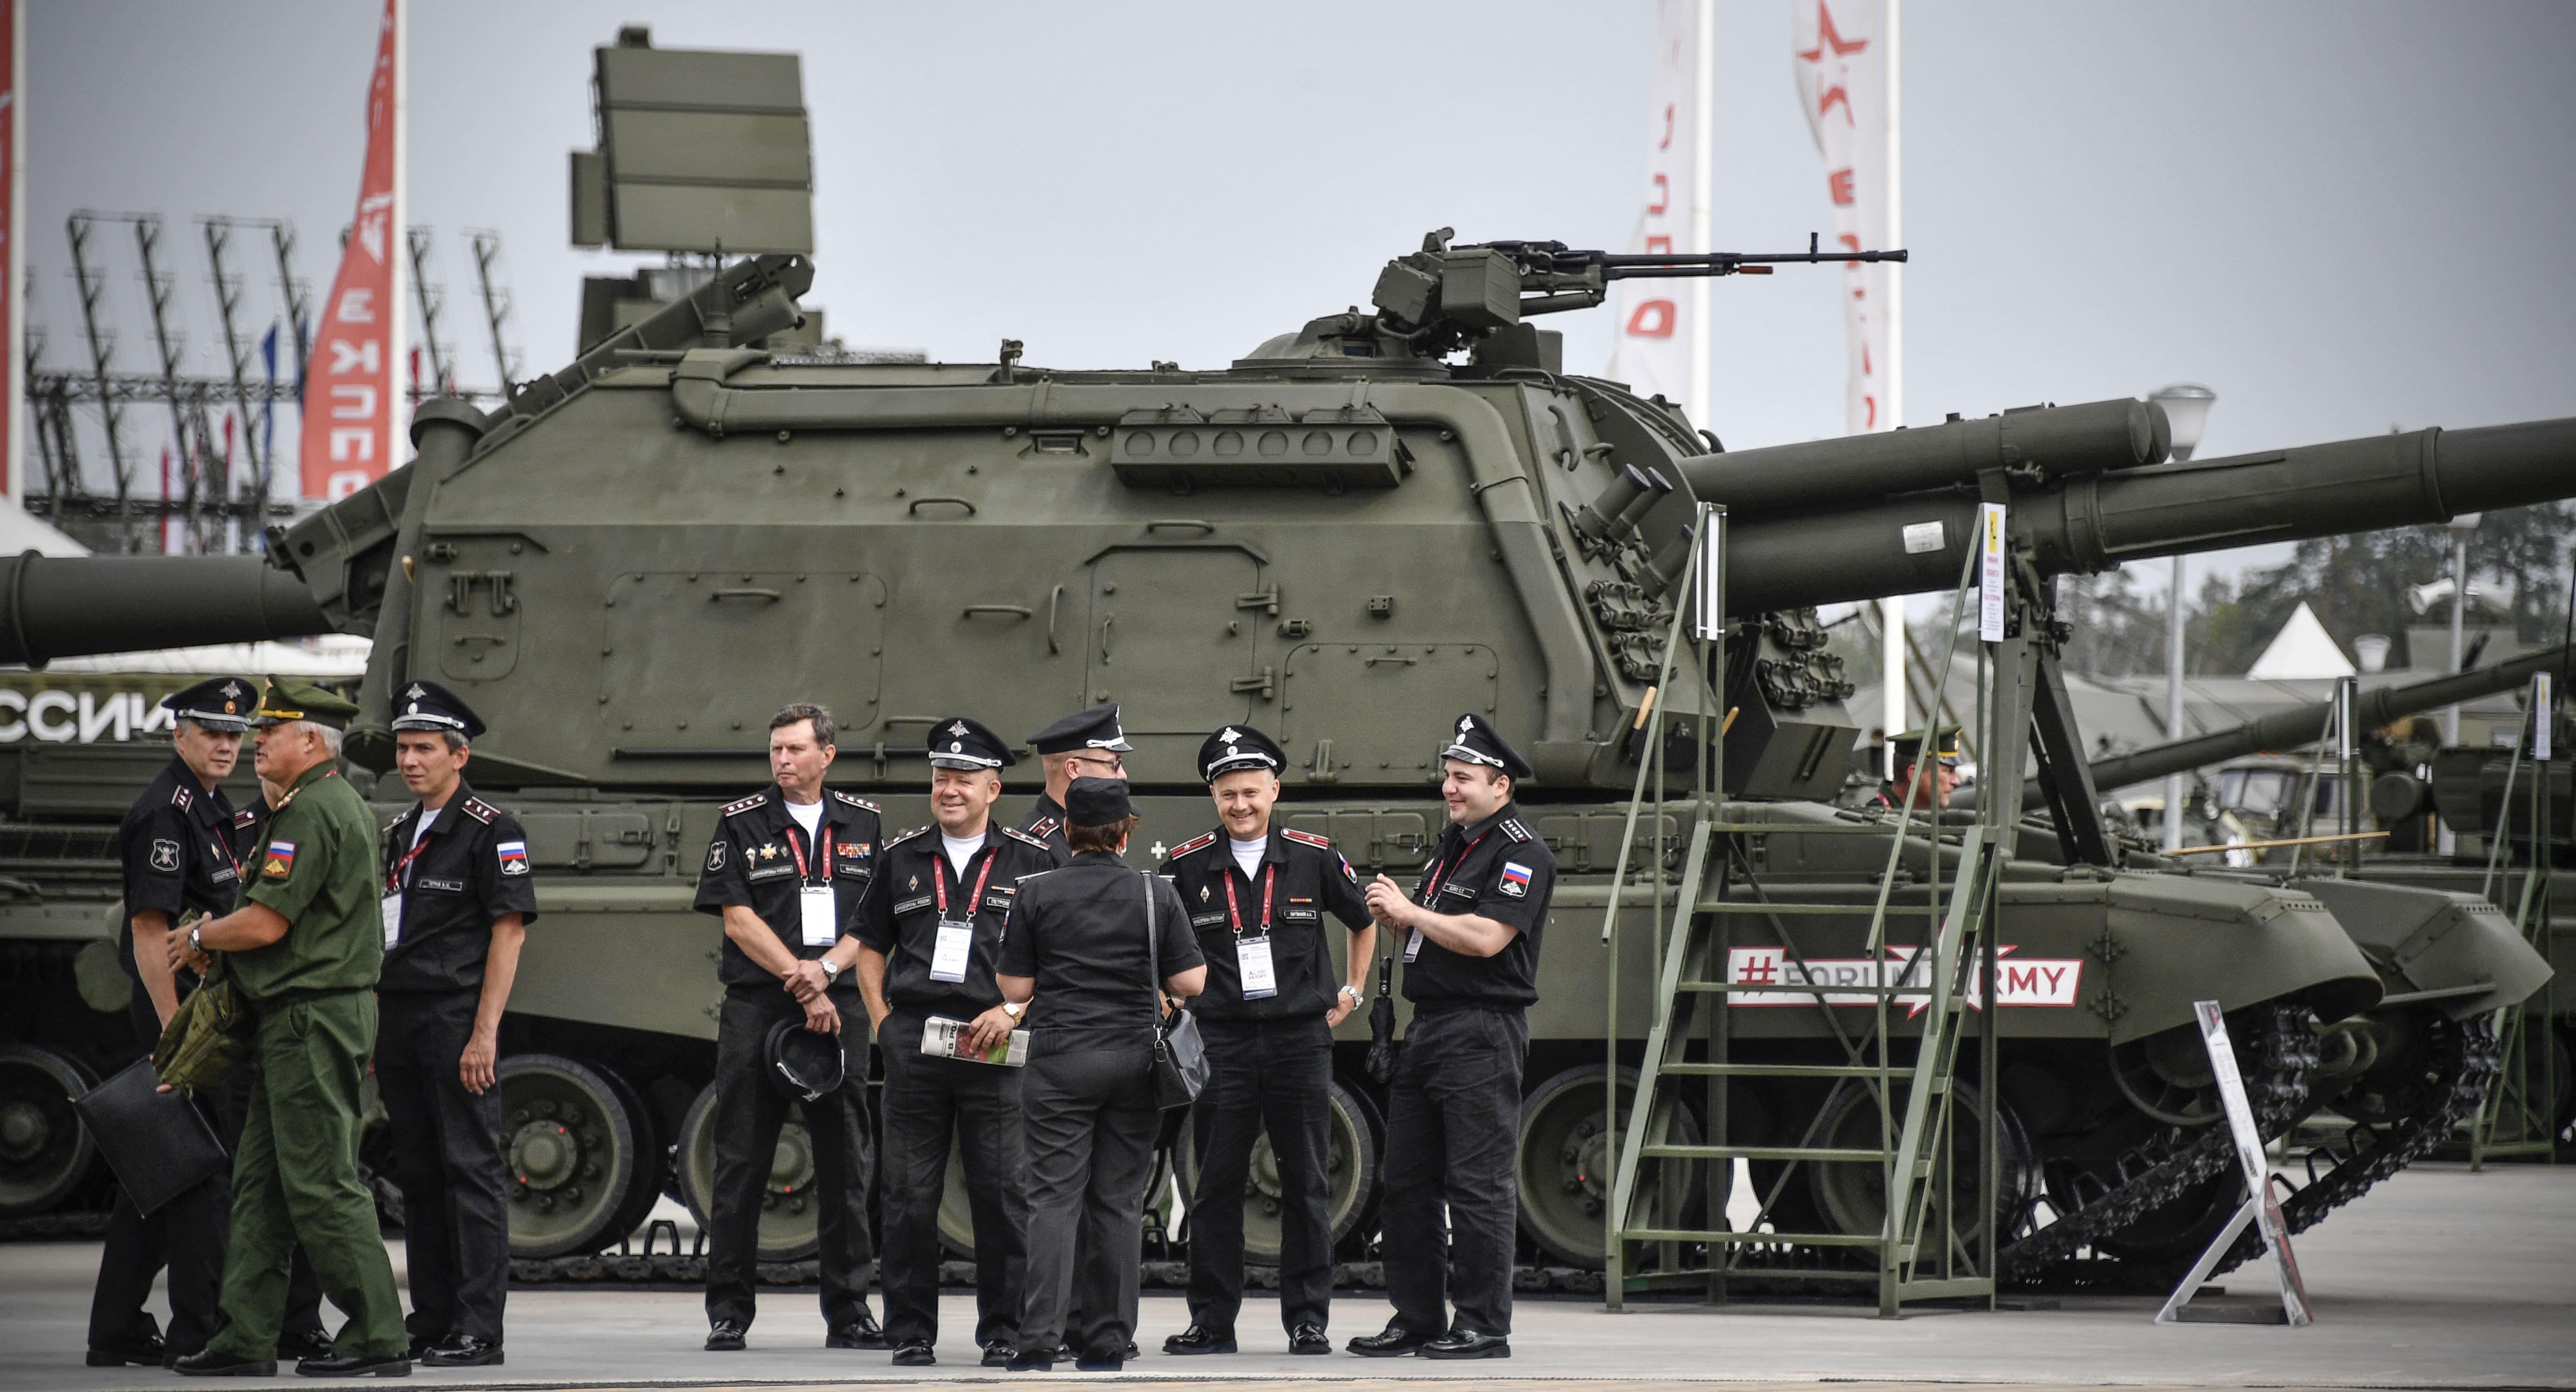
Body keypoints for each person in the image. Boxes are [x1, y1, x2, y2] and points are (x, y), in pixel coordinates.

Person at [167, 677, 410, 1378]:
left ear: (311, 740)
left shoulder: (312, 811)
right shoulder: (324, 803)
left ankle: (377, 1335)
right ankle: (244, 1338)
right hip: (304, 1017)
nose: (257, 741)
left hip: (311, 1017)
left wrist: (200, 936)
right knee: (264, 1187)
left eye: (271, 730)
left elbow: (267, 922)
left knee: (321, 1182)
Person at [87, 678, 328, 1370]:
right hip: (186, 1020)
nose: (226, 744)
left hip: (206, 1015)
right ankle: (199, 1332)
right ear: (179, 735)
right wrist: (173, 1037)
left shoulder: (212, 808)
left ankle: (115, 1328)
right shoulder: (166, 812)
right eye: (211, 732)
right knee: (203, 1176)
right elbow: (147, 928)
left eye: (235, 734)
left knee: (161, 1169)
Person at [1157, 725, 1373, 1357]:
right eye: (1228, 794)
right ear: (1214, 796)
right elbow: (1157, 943)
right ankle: (1211, 1321)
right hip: (1220, 1039)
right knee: (1216, 1183)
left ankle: (1307, 1320)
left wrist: (1352, 991)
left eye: (1251, 792)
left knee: (1307, 1181)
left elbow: (1363, 921)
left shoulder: (1314, 856)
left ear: (1274, 790)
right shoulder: (1186, 865)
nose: (1241, 805)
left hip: (1298, 1039)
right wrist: (1168, 998)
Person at [1347, 714, 1556, 1362]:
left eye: (1463, 778)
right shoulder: (1456, 845)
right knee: (1406, 1183)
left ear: (1500, 784)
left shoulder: (1520, 852)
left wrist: (1410, 911)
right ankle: (1417, 1318)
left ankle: (1483, 1325)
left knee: (1477, 1185)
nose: (1450, 788)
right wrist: (1398, 919)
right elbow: (1436, 933)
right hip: (1431, 1027)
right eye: (1448, 776)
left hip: (1481, 1031)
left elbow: (1488, 938)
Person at [854, 718, 1059, 1368]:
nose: (949, 789)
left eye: (964, 780)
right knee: (908, 1195)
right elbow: (870, 947)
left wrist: (1015, 1008)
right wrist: (883, 1021)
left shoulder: (1033, 861)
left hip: (994, 1042)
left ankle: (1004, 1330)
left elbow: (1059, 957)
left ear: (993, 789)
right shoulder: (902, 857)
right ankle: (910, 1331)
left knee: (1002, 1194)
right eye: (942, 777)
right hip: (916, 1041)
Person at [692, 703, 885, 1353]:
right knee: (741, 1159)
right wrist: (803, 981)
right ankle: (728, 1312)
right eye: (776, 749)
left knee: (845, 1161)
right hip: (761, 1006)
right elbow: (737, 918)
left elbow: (874, 920)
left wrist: (826, 973)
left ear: (827, 755)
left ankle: (850, 1311)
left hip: (839, 1006)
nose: (782, 760)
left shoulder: (863, 823)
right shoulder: (741, 822)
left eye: (796, 749)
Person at [996, 778, 1204, 1371]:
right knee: (1117, 1201)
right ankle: (1108, 1342)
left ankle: (1038, 1341)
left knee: (1052, 1200)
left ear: (1068, 830)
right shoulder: (1155, 893)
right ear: (1125, 833)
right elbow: (1191, 982)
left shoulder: (1035, 892)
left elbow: (1015, 988)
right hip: (1134, 1061)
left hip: (1060, 1061)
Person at [374, 681, 535, 1367]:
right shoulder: (399, 833)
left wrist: (484, 1033)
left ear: (458, 756)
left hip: (455, 1017)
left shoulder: (492, 831)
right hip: (400, 1017)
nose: (410, 761)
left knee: (471, 1171)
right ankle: (433, 1316)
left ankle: (478, 1327)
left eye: (424, 749)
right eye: (404, 749)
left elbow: (509, 934)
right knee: (420, 1175)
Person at [1018, 704, 1132, 856]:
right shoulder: (1035, 851)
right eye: (1114, 764)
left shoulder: (1097, 829)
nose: (1123, 775)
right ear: (1074, 769)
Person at [1873, 726, 1961, 812]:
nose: (1956, 781)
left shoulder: (1932, 816)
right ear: (1915, 775)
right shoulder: (1877, 817)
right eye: (1949, 771)